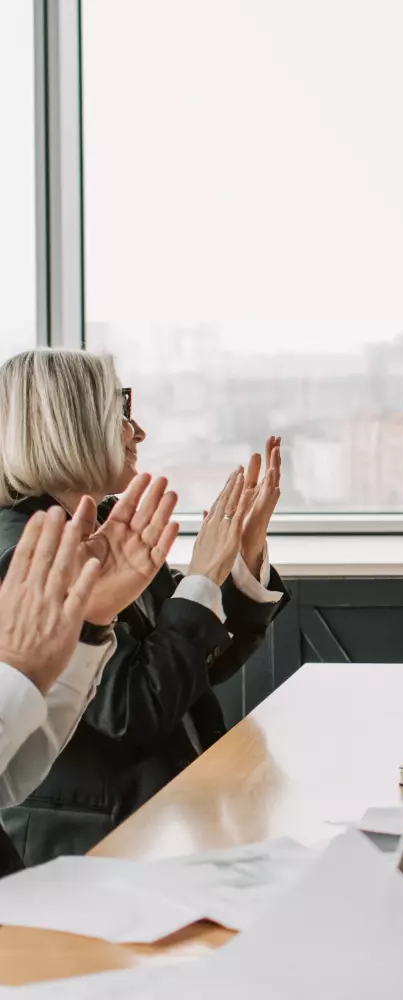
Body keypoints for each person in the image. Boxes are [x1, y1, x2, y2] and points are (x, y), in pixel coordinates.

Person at [0, 349, 289, 864]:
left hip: (166, 823)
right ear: (72, 426)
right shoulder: (24, 554)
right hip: (90, 852)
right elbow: (133, 709)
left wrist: (235, 560)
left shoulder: (109, 522)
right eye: (121, 412)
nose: (138, 433)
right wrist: (202, 576)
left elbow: (195, 663)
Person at [0, 483, 180, 876]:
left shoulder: (87, 532)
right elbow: (133, 707)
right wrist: (17, 671)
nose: (136, 434)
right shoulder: (16, 546)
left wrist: (91, 624)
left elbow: (11, 777)